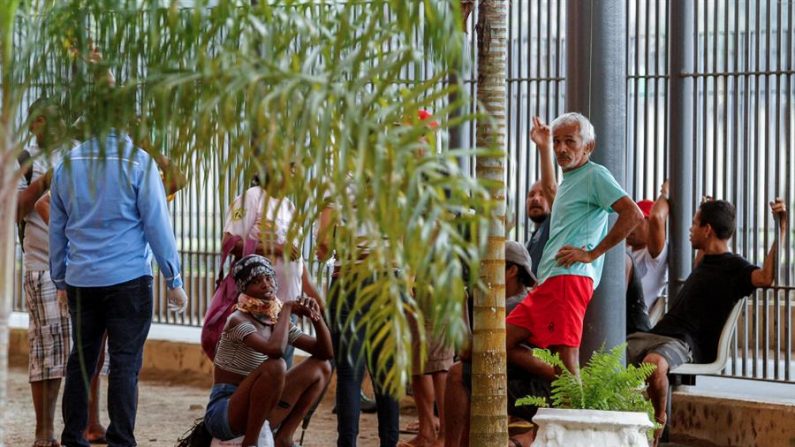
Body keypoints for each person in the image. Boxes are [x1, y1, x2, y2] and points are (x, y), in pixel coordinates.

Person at [49, 129, 188, 447]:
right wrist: (173, 278)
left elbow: (57, 228)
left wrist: (60, 278)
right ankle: (121, 440)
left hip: (81, 280)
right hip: (128, 279)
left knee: (81, 360)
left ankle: (73, 438)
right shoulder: (139, 161)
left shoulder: (67, 164)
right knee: (125, 362)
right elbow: (156, 223)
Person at [628, 198, 787, 446]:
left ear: (708, 229)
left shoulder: (735, 267)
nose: (689, 229)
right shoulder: (703, 261)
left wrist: (781, 229)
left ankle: (658, 421)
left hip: (685, 343)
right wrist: (710, 205)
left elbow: (766, 278)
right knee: (603, 353)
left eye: (694, 223)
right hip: (656, 334)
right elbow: (707, 240)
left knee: (654, 364)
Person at [505, 113, 643, 378]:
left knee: (567, 362)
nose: (561, 148)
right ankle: (557, 397)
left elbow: (633, 214)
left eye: (569, 141)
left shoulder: (595, 175)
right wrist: (544, 147)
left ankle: (571, 411)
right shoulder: (572, 179)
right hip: (550, 281)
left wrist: (592, 253)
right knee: (499, 344)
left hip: (569, 279)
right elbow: (550, 190)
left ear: (588, 146)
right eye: (557, 142)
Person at [203, 254, 333, 447]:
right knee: (276, 366)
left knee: (321, 367)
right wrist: (287, 308)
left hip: (260, 408)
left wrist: (316, 317)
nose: (266, 284)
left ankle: (284, 437)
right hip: (225, 412)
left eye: (268, 278)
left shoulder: (274, 318)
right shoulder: (238, 320)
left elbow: (325, 353)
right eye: (256, 281)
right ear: (244, 288)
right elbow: (275, 351)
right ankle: (251, 442)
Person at [16, 98, 75, 447]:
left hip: (72, 268)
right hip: (40, 266)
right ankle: (44, 431)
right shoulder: (25, 160)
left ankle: (56, 430)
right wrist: (44, 181)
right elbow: (14, 211)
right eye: (44, 120)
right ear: (35, 124)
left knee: (64, 351)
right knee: (44, 348)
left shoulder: (74, 152)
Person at [443, 241, 540, 447]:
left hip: (531, 386)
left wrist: (459, 305)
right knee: (468, 374)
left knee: (458, 374)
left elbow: (467, 352)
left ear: (512, 270)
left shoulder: (516, 306)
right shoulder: (509, 301)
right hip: (519, 377)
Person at [221, 177, 324, 367]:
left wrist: (320, 305)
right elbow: (229, 243)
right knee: (262, 369)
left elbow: (298, 264)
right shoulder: (252, 197)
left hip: (286, 309)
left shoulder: (289, 206)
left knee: (283, 368)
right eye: (290, 165)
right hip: (257, 309)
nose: (295, 172)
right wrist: (274, 248)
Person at [626, 180, 670, 311]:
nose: (629, 226)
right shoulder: (625, 250)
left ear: (648, 223)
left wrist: (665, 193)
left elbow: (656, 217)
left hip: (631, 326)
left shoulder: (654, 256)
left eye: (636, 221)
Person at [524, 181, 552, 277]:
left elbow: (550, 185)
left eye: (542, 194)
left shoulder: (555, 225)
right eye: (531, 195)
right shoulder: (530, 243)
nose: (535, 199)